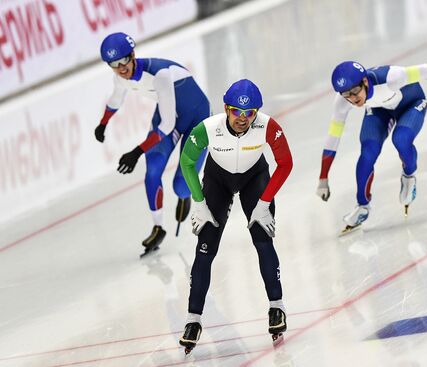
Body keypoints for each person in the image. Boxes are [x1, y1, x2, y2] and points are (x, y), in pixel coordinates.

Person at [178, 79, 293, 353]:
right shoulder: (208, 128)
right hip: (218, 181)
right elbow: (187, 161)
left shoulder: (268, 126)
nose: (242, 119)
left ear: (256, 113)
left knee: (263, 241)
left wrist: (264, 201)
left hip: (255, 178)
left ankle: (277, 307)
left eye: (249, 113)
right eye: (236, 112)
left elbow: (286, 163)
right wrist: (198, 201)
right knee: (205, 249)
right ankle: (193, 319)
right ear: (226, 108)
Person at [316, 61, 427, 232]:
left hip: (411, 103)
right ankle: (362, 206)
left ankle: (409, 176)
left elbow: (426, 71)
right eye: (347, 95)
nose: (353, 98)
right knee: (368, 152)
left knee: (401, 139)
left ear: (365, 82)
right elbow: (333, 138)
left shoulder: (392, 78)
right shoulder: (342, 102)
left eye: (355, 91)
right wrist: (323, 178)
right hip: (381, 109)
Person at [94, 32, 210, 256]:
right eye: (113, 64)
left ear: (133, 55)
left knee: (181, 186)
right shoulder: (120, 77)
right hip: (170, 114)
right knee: (153, 167)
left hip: (197, 118)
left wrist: (136, 152)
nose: (120, 68)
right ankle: (158, 227)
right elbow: (116, 99)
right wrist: (103, 124)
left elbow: (166, 126)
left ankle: (185, 195)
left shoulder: (160, 75)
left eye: (123, 61)